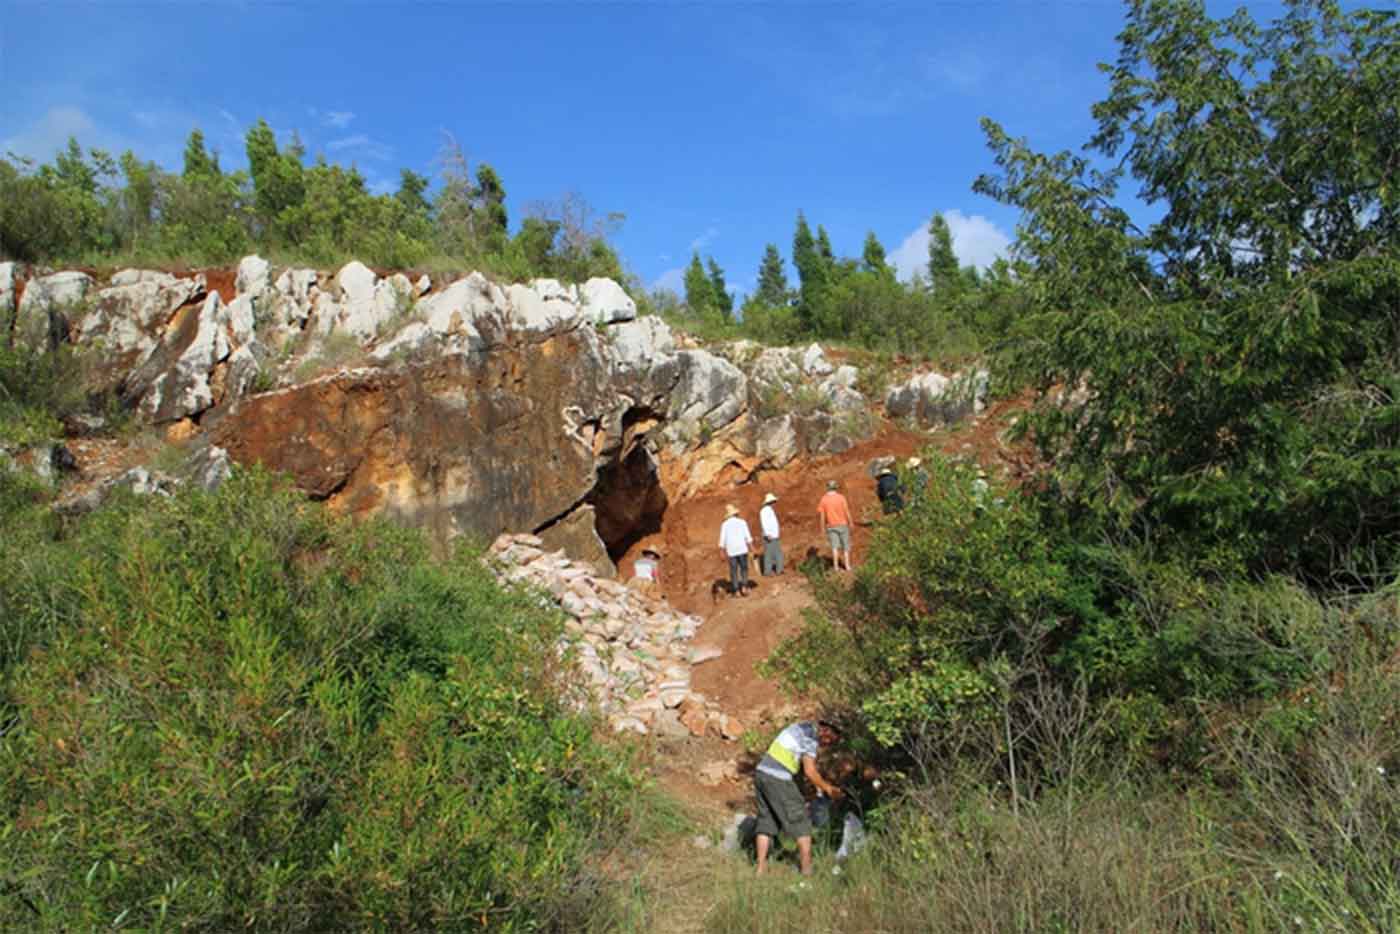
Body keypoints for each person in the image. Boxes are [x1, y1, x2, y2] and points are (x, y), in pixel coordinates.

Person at [753, 719, 844, 876]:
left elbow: (798, 767)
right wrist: (829, 789)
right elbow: (810, 771)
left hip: (762, 773)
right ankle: (807, 871)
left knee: (766, 821)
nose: (827, 744)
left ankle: (760, 869)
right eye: (830, 740)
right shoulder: (810, 736)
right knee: (801, 822)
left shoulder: (801, 727)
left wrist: (814, 788)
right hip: (778, 777)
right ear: (827, 730)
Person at [718, 503, 754, 596]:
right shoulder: (742, 522)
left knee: (733, 571)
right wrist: (751, 547)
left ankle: (736, 590)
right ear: (735, 514)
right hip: (742, 549)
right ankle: (744, 587)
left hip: (732, 551)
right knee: (744, 569)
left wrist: (721, 551)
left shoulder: (724, 525)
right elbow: (748, 536)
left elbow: (722, 539)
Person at [817, 480, 853, 571]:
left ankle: (836, 567)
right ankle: (847, 566)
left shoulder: (824, 499)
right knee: (845, 546)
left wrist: (822, 529)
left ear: (827, 487)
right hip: (843, 525)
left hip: (831, 526)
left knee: (834, 547)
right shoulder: (841, 498)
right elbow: (846, 511)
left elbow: (822, 516)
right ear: (836, 487)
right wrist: (851, 522)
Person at [759, 492, 783, 576]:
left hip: (774, 535)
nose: (774, 503)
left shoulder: (769, 510)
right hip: (770, 536)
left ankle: (779, 569)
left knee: (777, 552)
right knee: (769, 554)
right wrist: (767, 534)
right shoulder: (764, 511)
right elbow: (764, 523)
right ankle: (768, 572)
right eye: (773, 502)